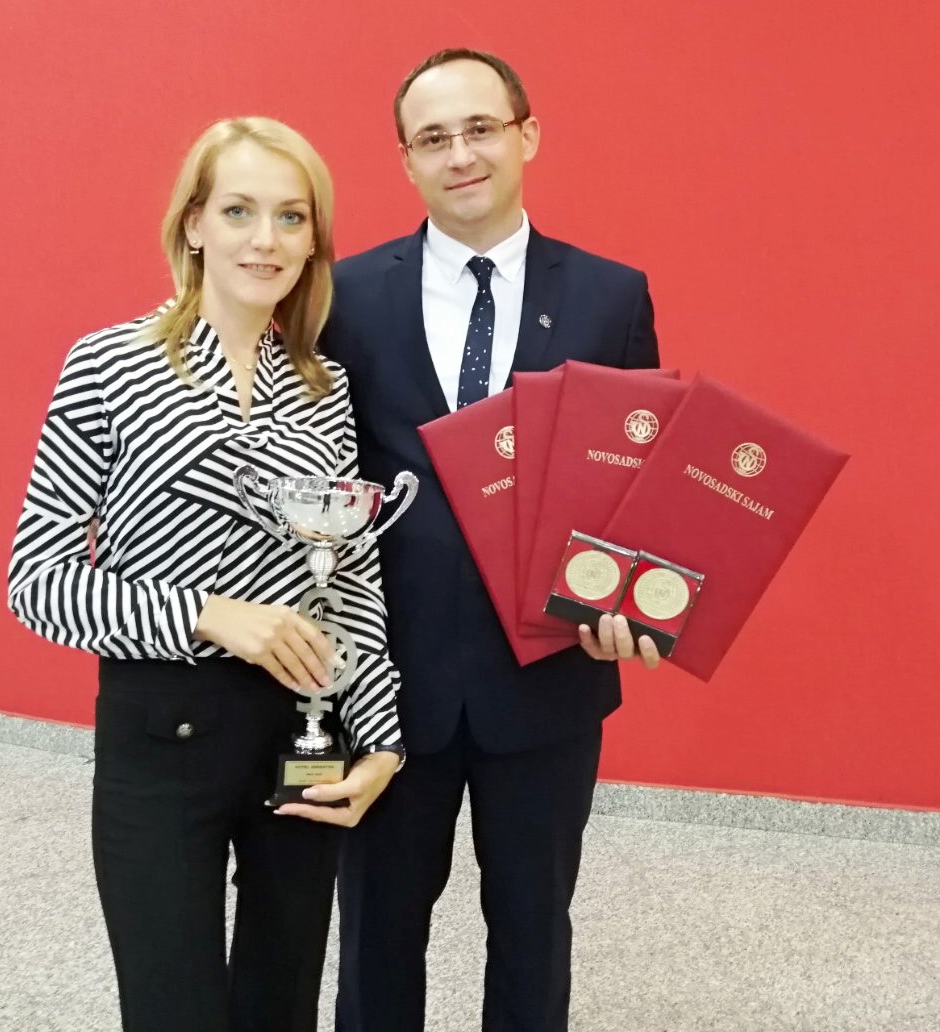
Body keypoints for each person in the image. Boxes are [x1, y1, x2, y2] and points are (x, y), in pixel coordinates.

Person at [7, 117, 404, 1032]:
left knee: (281, 1003)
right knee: (171, 1007)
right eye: (238, 211)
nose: (266, 240)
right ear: (192, 224)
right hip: (160, 734)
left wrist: (381, 739)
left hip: (303, 730)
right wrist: (209, 613)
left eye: (291, 217)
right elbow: (38, 580)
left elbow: (352, 584)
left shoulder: (324, 387)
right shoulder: (108, 364)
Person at [321, 50, 661, 1032]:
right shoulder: (344, 296)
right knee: (377, 933)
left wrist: (632, 602)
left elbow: (636, 489)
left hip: (548, 681)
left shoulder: (610, 296)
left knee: (532, 929)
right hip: (386, 685)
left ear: (527, 135)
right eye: (433, 138)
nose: (459, 154)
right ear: (406, 160)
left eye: (480, 128)